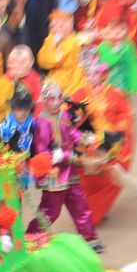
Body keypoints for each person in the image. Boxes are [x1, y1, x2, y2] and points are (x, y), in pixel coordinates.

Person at [26, 83, 102, 251]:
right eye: (51, 98)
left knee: (80, 204)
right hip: (54, 176)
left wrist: (84, 138)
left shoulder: (64, 114)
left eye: (59, 98)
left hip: (70, 171)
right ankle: (31, 236)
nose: (56, 102)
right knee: (50, 212)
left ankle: (90, 238)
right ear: (45, 100)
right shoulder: (41, 122)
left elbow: (71, 132)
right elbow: (42, 150)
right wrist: (64, 156)